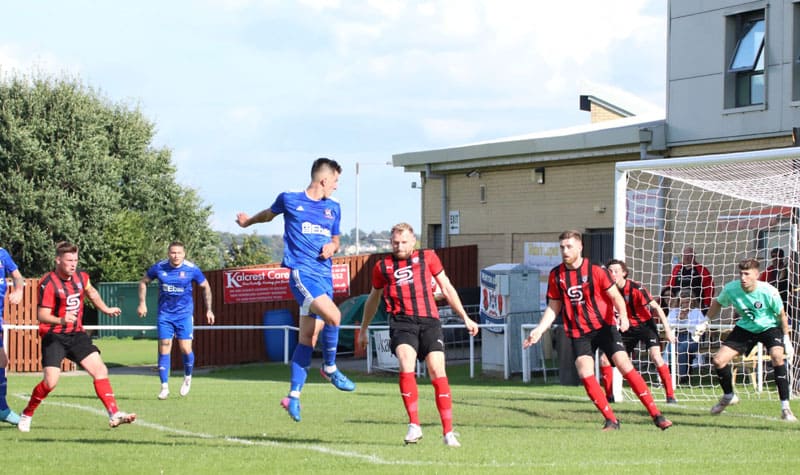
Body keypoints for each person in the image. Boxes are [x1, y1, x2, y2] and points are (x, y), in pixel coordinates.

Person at [236, 157, 355, 422]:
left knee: (307, 340)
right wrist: (248, 223)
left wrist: (333, 247)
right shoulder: (290, 199)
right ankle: (330, 368)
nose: (336, 186)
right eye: (335, 181)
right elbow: (268, 214)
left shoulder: (333, 208)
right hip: (303, 274)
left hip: (325, 277)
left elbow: (336, 238)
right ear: (323, 180)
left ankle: (293, 396)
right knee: (334, 317)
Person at [523, 230, 672, 431]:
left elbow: (616, 297)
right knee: (585, 371)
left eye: (569, 247)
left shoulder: (596, 271)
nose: (565, 251)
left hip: (604, 327)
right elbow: (554, 306)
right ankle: (611, 420)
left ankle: (657, 415)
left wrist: (624, 317)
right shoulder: (556, 275)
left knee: (624, 365)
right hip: (578, 332)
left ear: (579, 247)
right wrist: (540, 330)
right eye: (562, 247)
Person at [357, 223, 479, 447]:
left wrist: (465, 317)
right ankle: (414, 425)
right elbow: (373, 299)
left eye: (404, 242)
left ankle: (448, 432)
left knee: (436, 370)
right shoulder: (382, 266)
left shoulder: (429, 258)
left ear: (414, 241)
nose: (399, 246)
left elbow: (448, 288)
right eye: (395, 242)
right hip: (402, 323)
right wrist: (363, 330)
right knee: (406, 363)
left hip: (430, 322)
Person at [17, 241, 136, 433]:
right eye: (69, 260)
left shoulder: (82, 277)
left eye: (75, 260)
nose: (73, 264)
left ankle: (114, 413)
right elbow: (42, 316)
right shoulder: (48, 283)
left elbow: (92, 292)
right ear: (58, 260)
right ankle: (27, 413)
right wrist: (62, 319)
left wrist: (105, 309)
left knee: (100, 369)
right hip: (54, 336)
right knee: (50, 382)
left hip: (77, 334)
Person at [706, 257, 796, 421]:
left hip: (769, 327)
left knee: (777, 357)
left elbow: (782, 315)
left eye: (747, 274)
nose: (743, 277)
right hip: (746, 328)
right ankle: (728, 396)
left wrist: (786, 339)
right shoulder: (731, 288)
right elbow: (718, 303)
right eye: (741, 273)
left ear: (756, 274)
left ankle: (785, 408)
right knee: (718, 361)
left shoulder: (769, 291)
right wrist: (705, 321)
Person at [137, 241, 215, 400]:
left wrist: (209, 309)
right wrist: (142, 303)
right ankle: (164, 386)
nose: (176, 256)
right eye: (173, 252)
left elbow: (205, 286)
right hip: (165, 315)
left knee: (185, 348)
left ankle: (187, 377)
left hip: (184, 315)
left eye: (179, 253)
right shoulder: (159, 267)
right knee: (164, 345)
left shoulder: (191, 269)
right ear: (168, 253)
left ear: (184, 254)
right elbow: (143, 282)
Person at [599, 259, 677, 404]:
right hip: (626, 328)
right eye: (610, 271)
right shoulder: (607, 290)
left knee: (656, 357)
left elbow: (657, 308)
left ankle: (670, 396)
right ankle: (609, 398)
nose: (613, 274)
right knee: (604, 359)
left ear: (624, 273)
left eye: (616, 271)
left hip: (646, 326)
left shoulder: (635, 289)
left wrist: (668, 330)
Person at [0, 246, 24, 425]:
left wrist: (19, 291)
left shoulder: (2, 254)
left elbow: (17, 276)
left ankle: (2, 408)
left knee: (2, 361)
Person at [665, 289, 708, 382]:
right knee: (667, 351)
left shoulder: (696, 311)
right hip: (676, 335)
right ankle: (665, 377)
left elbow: (703, 326)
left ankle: (683, 377)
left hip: (692, 337)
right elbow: (668, 324)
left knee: (682, 349)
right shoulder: (674, 311)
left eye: (687, 302)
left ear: (692, 301)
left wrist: (687, 318)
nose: (685, 304)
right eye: (683, 302)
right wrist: (678, 318)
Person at [668, 246, 714, 313]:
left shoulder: (702, 270)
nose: (687, 258)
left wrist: (706, 304)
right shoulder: (677, 269)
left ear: (694, 257)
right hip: (678, 305)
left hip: (696, 306)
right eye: (685, 255)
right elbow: (669, 286)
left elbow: (709, 288)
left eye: (690, 256)